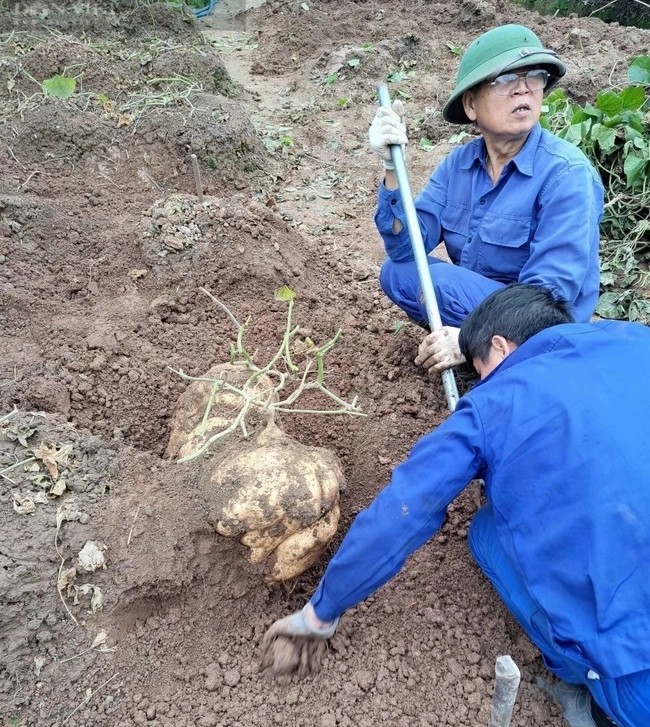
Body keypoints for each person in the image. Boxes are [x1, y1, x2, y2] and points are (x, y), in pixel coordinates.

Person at [262, 284, 650, 727]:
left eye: (481, 369)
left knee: (487, 535)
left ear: (499, 346)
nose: (482, 382)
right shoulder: (636, 339)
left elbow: (403, 511)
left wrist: (319, 614)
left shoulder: (493, 405)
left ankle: (583, 684)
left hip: (638, 665)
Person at [368, 24, 604, 375]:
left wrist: (466, 338)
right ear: (471, 104)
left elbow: (549, 297)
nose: (523, 88)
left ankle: (488, 356)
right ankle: (482, 354)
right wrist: (391, 168)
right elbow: (407, 248)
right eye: (506, 80)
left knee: (440, 283)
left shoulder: (566, 174)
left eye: (533, 77)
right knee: (397, 272)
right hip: (484, 306)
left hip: (543, 328)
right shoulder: (458, 165)